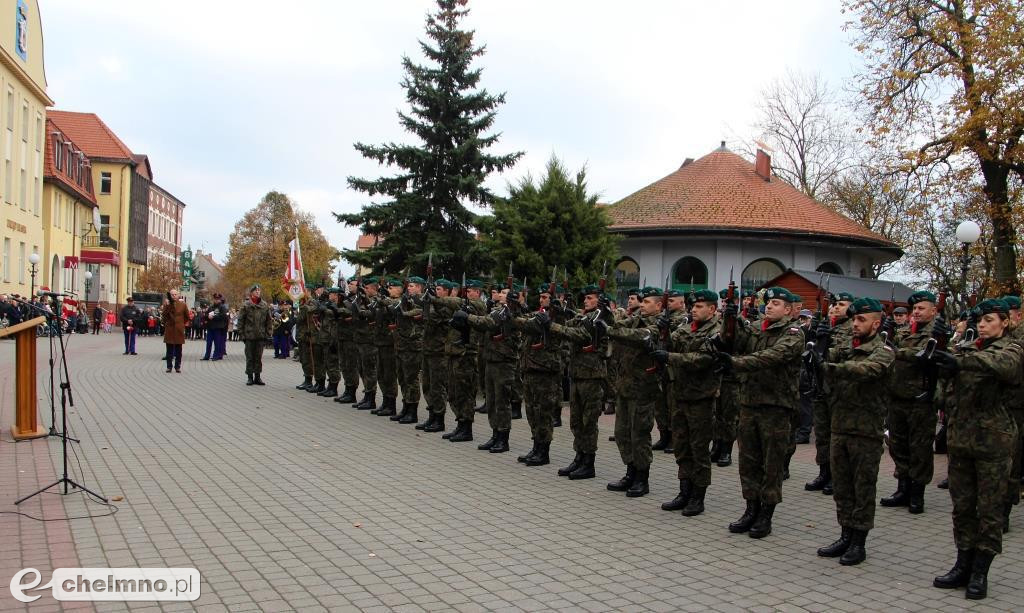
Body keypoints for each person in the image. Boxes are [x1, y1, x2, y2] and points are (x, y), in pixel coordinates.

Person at [931, 298, 1022, 600]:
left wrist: (961, 360)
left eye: (989, 320)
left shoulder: (1012, 348)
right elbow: (947, 373)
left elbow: (1003, 368)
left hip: (993, 441)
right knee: (963, 507)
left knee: (990, 511)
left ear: (1005, 322)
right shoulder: (968, 347)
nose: (981, 325)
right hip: (961, 440)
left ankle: (981, 572)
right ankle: (962, 563)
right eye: (979, 321)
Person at [716, 286, 803, 538]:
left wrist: (735, 363)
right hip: (750, 403)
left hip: (776, 407)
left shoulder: (794, 333)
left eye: (776, 303)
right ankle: (750, 508)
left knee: (771, 463)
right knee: (748, 461)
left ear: (788, 310)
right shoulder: (756, 327)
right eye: (769, 303)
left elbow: (772, 357)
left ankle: (766, 514)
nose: (770, 306)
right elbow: (732, 341)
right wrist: (730, 319)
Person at [813, 297, 894, 566]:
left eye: (861, 319)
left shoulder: (883, 351)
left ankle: (859, 542)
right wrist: (821, 344)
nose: (856, 324)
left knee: (863, 489)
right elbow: (824, 360)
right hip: (840, 426)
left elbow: (864, 371)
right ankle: (845, 534)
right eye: (854, 319)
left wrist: (828, 366)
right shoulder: (846, 347)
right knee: (843, 487)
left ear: (876, 322)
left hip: (865, 432)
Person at [651, 288, 723, 516]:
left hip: (701, 398)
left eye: (700, 306)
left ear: (712, 309)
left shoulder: (717, 331)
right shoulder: (686, 327)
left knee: (699, 449)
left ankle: (698, 497)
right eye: (693, 306)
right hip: (680, 395)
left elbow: (702, 359)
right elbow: (672, 342)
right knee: (682, 447)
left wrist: (670, 357)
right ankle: (684, 491)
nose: (694, 310)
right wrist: (663, 329)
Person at [883, 290, 941, 514]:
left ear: (933, 310)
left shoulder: (936, 334)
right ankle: (902, 488)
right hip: (898, 397)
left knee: (919, 447)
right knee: (898, 445)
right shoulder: (905, 331)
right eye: (914, 309)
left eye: (921, 308)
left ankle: (917, 493)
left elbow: (922, 356)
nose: (916, 312)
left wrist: (895, 350)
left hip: (920, 399)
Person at [605, 286, 665, 498]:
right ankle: (630, 471)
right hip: (625, 385)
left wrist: (612, 330)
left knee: (639, 434)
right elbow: (618, 325)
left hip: (643, 388)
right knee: (622, 433)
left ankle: (642, 477)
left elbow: (637, 336)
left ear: (659, 305)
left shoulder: (660, 324)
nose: (642, 304)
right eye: (642, 301)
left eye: (647, 302)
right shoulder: (636, 318)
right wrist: (607, 317)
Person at [547, 284, 608, 479]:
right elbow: (571, 323)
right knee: (576, 421)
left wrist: (552, 326)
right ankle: (579, 457)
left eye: (590, 298)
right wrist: (558, 313)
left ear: (599, 299)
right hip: (578, 374)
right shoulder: (584, 316)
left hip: (592, 376)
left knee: (588, 421)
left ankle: (588, 463)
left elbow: (581, 335)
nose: (586, 301)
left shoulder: (601, 317)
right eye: (585, 298)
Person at [806, 291, 856, 495]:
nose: (835, 307)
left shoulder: (853, 329)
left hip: (839, 390)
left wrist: (825, 342)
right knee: (822, 434)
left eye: (841, 304)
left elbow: (841, 356)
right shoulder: (826, 327)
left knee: (837, 436)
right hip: (821, 387)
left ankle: (838, 476)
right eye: (834, 304)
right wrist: (814, 335)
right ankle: (824, 471)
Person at [238, 284, 273, 385]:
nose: (258, 292)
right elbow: (241, 321)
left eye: (259, 290)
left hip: (261, 335)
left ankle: (257, 377)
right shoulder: (246, 305)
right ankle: (250, 377)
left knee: (258, 357)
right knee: (250, 357)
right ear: (251, 292)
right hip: (249, 335)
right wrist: (242, 334)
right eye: (256, 291)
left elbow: (269, 321)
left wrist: (268, 333)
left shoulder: (264, 305)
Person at [161, 289, 188, 373]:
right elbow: (164, 316)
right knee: (169, 350)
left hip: (179, 330)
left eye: (175, 294)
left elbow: (186, 316)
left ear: (178, 295)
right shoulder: (167, 305)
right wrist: (167, 306)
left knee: (178, 350)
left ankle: (177, 367)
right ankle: (169, 367)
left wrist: (180, 324)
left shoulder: (183, 305)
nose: (174, 296)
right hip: (170, 330)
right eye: (172, 294)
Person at [203, 293, 229, 361]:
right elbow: (205, 316)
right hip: (210, 327)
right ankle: (207, 355)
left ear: (220, 299)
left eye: (218, 299)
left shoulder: (222, 307)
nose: (216, 300)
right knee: (208, 343)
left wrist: (214, 316)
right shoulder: (211, 307)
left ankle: (216, 356)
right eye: (215, 299)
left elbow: (223, 316)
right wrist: (208, 317)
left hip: (218, 328)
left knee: (217, 343)